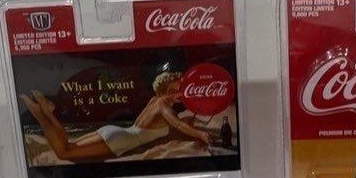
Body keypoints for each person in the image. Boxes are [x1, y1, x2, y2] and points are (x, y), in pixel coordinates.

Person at [20, 70, 213, 163]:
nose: (179, 94)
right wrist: (201, 134)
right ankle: (46, 114)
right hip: (121, 140)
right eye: (174, 90)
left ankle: (46, 113)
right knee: (64, 153)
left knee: (67, 146)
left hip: (118, 132)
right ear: (164, 91)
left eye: (180, 89)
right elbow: (178, 125)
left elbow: (167, 124)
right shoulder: (164, 107)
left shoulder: (154, 101)